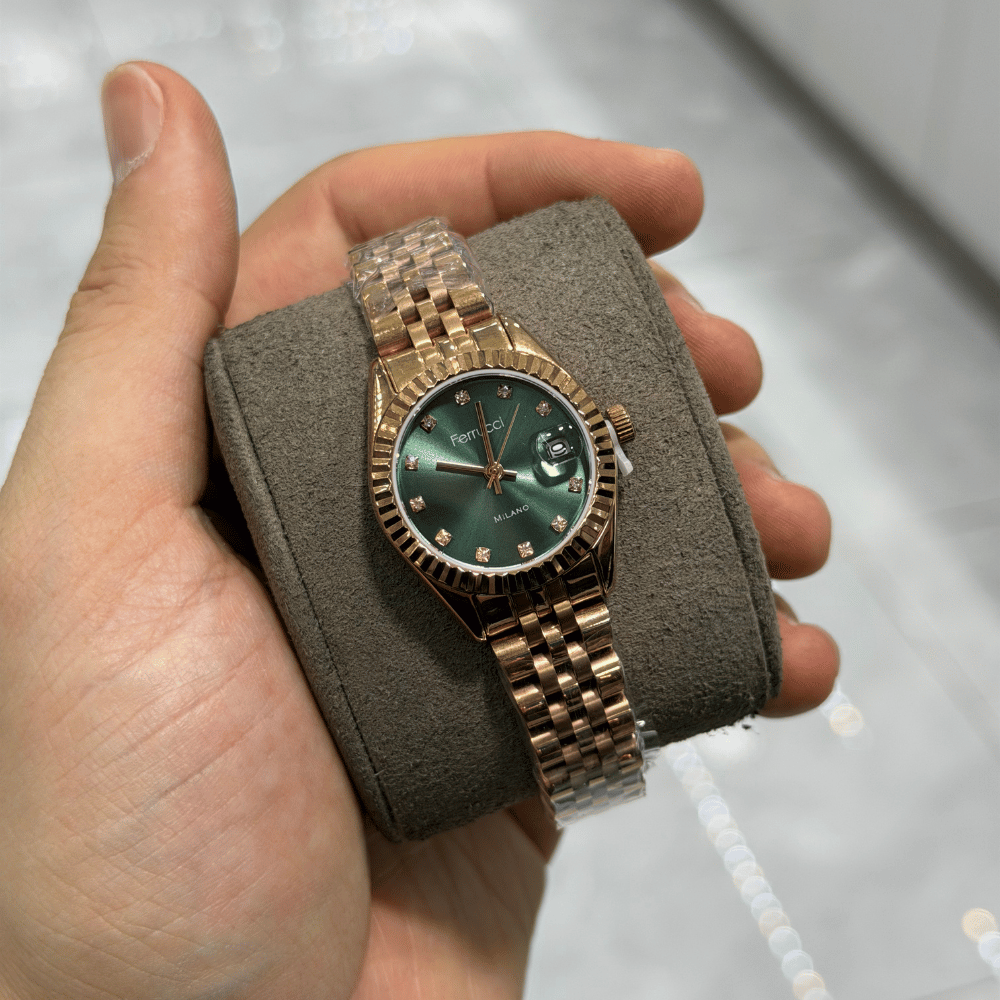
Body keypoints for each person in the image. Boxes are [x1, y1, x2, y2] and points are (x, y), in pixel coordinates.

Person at [0, 62, 839, 999]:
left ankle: (596, 765)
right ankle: (593, 764)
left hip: (538, 546)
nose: (495, 476)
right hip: (489, 572)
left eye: (576, 432)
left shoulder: (527, 433)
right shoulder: (414, 467)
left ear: (599, 433)